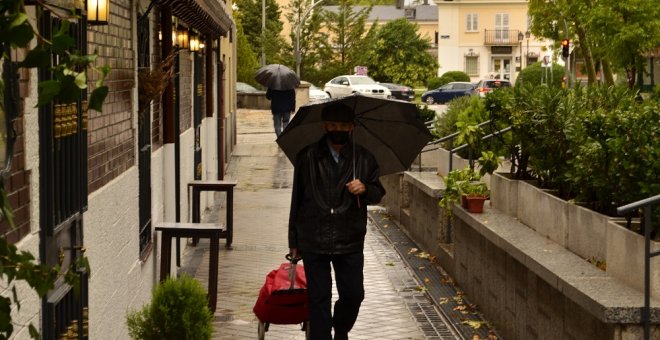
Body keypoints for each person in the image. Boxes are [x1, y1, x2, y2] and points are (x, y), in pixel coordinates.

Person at [287, 102, 386, 340]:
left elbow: (378, 193)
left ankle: (341, 329)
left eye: (342, 125)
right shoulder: (307, 156)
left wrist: (364, 187)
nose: (337, 129)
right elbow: (296, 199)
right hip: (314, 237)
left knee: (353, 294)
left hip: (349, 238)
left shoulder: (363, 158)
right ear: (325, 126)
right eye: (332, 125)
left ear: (351, 127)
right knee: (318, 297)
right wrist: (294, 239)